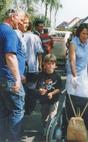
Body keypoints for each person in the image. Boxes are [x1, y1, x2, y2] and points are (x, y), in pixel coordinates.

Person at [0, 8, 26, 141]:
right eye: (20, 20)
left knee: (3, 112)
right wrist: (17, 78)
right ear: (13, 17)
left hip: (2, 78)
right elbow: (10, 56)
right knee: (17, 111)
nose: (20, 23)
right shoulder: (9, 32)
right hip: (10, 78)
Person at [36, 54, 62, 136]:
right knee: (44, 116)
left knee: (52, 116)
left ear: (55, 65)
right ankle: (45, 127)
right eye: (48, 63)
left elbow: (58, 88)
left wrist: (52, 93)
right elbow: (39, 86)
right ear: (44, 64)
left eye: (52, 63)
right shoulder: (41, 75)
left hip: (54, 100)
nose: (50, 65)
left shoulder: (57, 76)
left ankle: (50, 131)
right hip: (44, 100)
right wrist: (41, 90)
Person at [23, 22, 44, 115]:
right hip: (32, 67)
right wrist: (40, 65)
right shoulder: (35, 37)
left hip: (21, 67)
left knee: (23, 88)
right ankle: (30, 109)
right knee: (31, 88)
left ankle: (22, 107)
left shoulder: (20, 36)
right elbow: (39, 52)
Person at [66, 23, 88, 95]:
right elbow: (72, 62)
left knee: (81, 97)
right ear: (79, 32)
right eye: (83, 33)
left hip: (83, 74)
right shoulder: (73, 44)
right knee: (70, 98)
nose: (85, 36)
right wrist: (76, 78)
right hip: (73, 75)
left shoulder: (87, 42)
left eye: (87, 34)